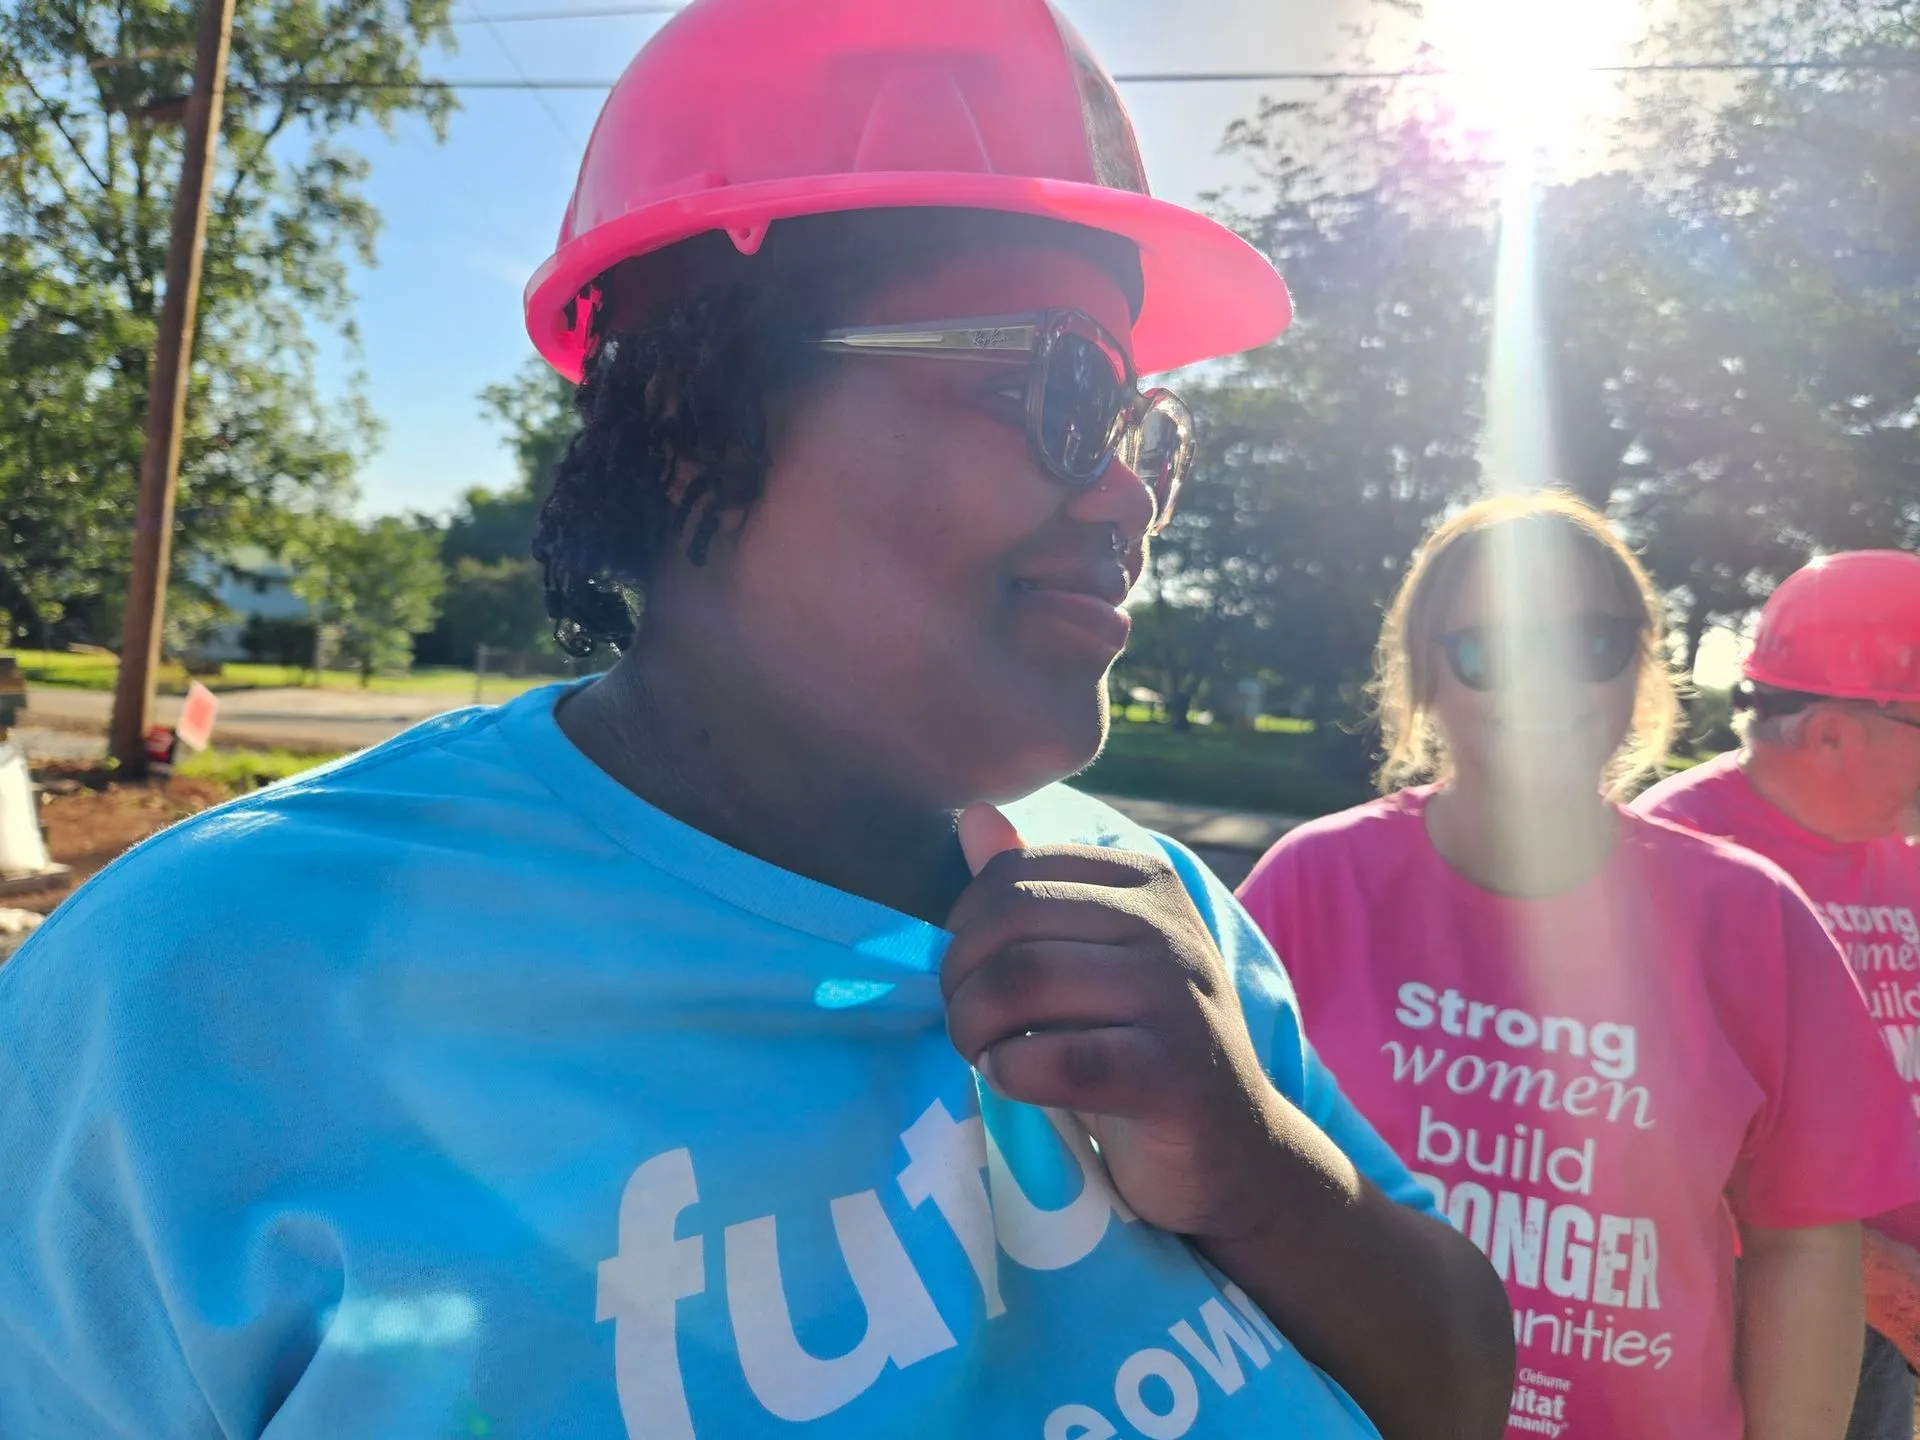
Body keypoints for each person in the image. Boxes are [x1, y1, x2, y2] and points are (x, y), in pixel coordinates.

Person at [0, 1, 1515, 1436]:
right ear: (689, 421)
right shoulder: (196, 999)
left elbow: (1458, 1393)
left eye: (1141, 428)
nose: (1127, 494)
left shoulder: (1152, 914)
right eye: (1059, 387)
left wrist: (1259, 1175)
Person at [1236, 492, 1920, 1440]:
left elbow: (1801, 1243)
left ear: (1638, 672)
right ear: (1426, 676)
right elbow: (1219, 1169)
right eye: (1491, 651)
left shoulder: (1751, 916)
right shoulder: (1313, 885)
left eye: (1590, 644)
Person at [1635, 549, 1920, 1440]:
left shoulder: (1895, 847)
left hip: (1881, 1325)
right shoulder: (1671, 861)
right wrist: (1893, 1288)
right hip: (1744, 1313)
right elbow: (1647, 1151)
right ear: (1833, 734)